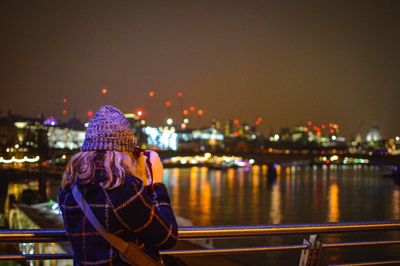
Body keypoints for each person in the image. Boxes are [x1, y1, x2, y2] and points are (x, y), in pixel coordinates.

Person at [58, 105, 178, 265]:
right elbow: (167, 237)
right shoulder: (122, 189)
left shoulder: (68, 186)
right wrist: (156, 184)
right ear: (124, 153)